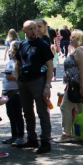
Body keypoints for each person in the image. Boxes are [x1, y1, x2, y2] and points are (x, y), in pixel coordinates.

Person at [13, 20, 54, 154]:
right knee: (27, 111)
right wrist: (18, 79)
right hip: (23, 81)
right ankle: (32, 138)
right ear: (24, 31)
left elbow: (50, 65)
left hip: (38, 81)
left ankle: (45, 141)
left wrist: (47, 85)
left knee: (42, 111)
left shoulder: (42, 44)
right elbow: (18, 63)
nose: (33, 31)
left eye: (35, 28)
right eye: (30, 29)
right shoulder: (22, 44)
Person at [55, 30, 83, 143]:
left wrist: (81, 87)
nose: (70, 39)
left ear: (78, 39)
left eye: (72, 38)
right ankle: (80, 132)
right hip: (80, 83)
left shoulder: (80, 50)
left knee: (65, 107)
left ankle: (66, 134)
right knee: (79, 108)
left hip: (76, 84)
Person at [2, 41, 24, 145]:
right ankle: (13, 135)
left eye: (15, 52)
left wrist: (12, 77)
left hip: (16, 92)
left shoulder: (19, 63)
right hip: (6, 91)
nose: (13, 54)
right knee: (10, 114)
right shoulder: (10, 62)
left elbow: (12, 76)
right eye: (11, 52)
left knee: (17, 114)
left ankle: (20, 135)